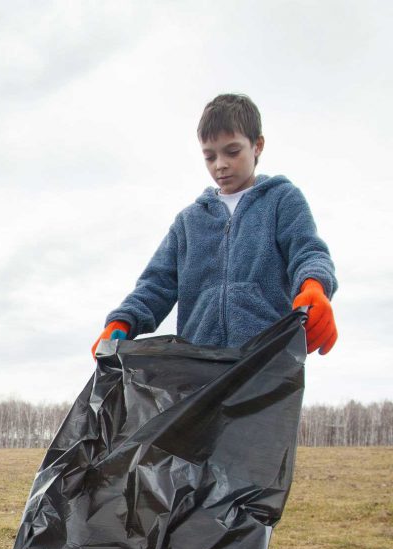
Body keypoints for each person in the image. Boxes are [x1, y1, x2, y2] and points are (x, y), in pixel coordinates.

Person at [92, 93, 338, 357]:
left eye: (232, 152)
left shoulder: (282, 200)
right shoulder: (188, 222)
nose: (221, 165)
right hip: (198, 368)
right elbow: (156, 284)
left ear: (257, 145)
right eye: (210, 157)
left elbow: (308, 252)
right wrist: (123, 319)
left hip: (268, 363)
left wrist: (314, 286)